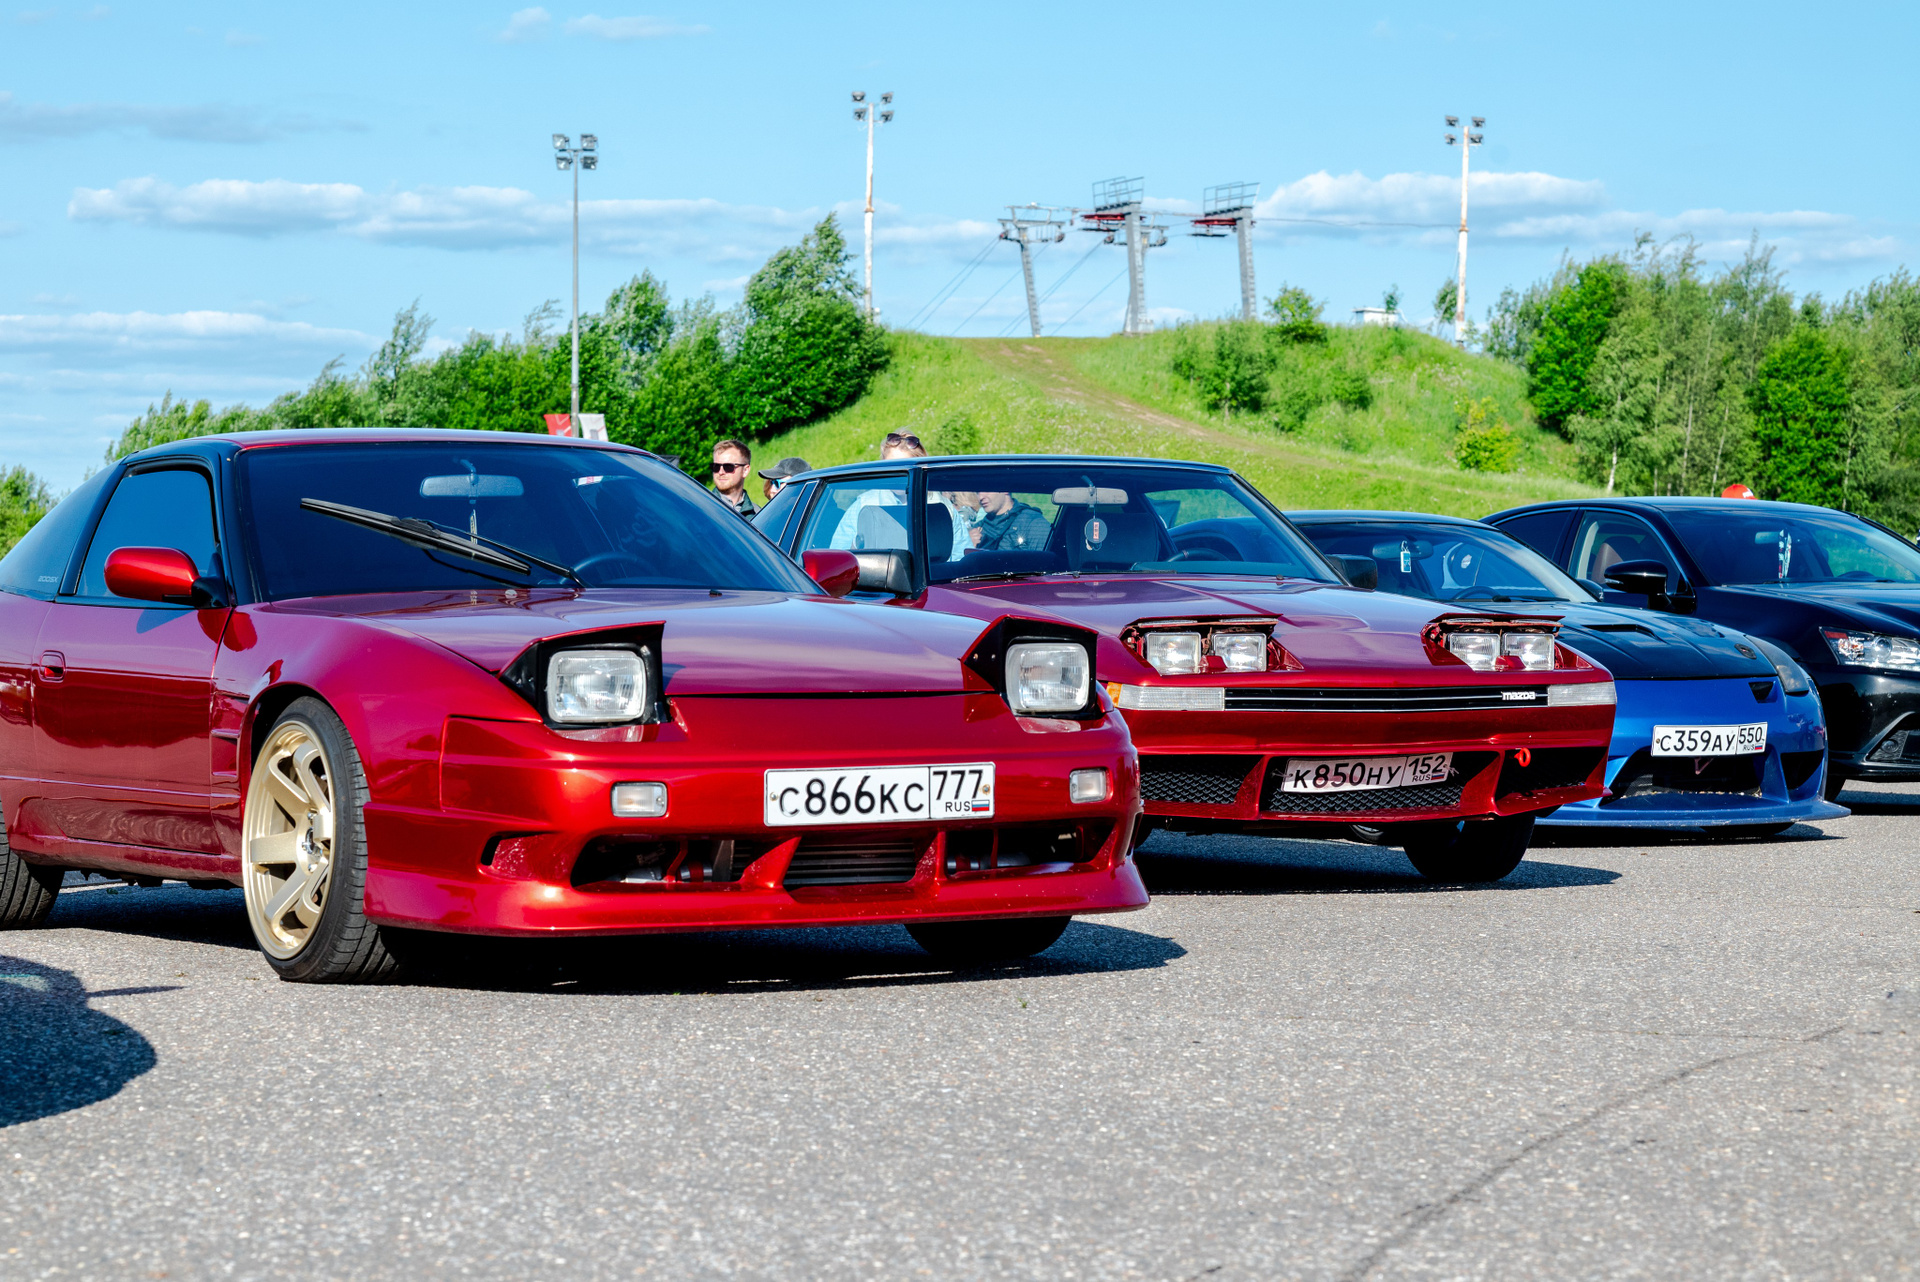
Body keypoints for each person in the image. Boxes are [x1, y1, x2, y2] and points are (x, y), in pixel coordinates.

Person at [829, 432, 968, 553]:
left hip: (933, 576)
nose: (898, 474)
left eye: (906, 468)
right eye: (891, 467)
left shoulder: (943, 508)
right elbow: (838, 559)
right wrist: (859, 544)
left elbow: (960, 558)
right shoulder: (863, 506)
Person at [974, 490, 1052, 551]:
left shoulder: (1032, 523)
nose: (980, 497)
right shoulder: (977, 529)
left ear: (1005, 489)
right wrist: (969, 546)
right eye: (977, 492)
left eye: (987, 490)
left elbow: (1046, 562)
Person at [709, 439, 756, 519]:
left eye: (728, 467)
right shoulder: (700, 507)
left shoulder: (757, 515)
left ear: (745, 470)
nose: (721, 472)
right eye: (716, 467)